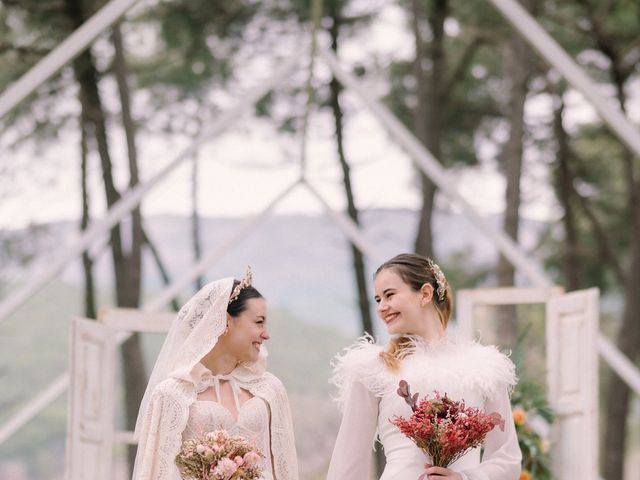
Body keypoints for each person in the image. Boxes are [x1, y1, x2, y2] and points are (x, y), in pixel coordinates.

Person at [326, 253, 521, 480]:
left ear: (425, 293)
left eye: (389, 295)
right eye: (378, 299)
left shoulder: (485, 369)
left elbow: (506, 459)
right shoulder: (374, 369)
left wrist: (464, 478)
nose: (381, 307)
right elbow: (349, 462)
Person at [133, 269, 299, 480]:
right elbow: (157, 474)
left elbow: (285, 471)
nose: (266, 334)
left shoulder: (270, 389)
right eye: (258, 322)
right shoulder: (171, 395)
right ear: (226, 322)